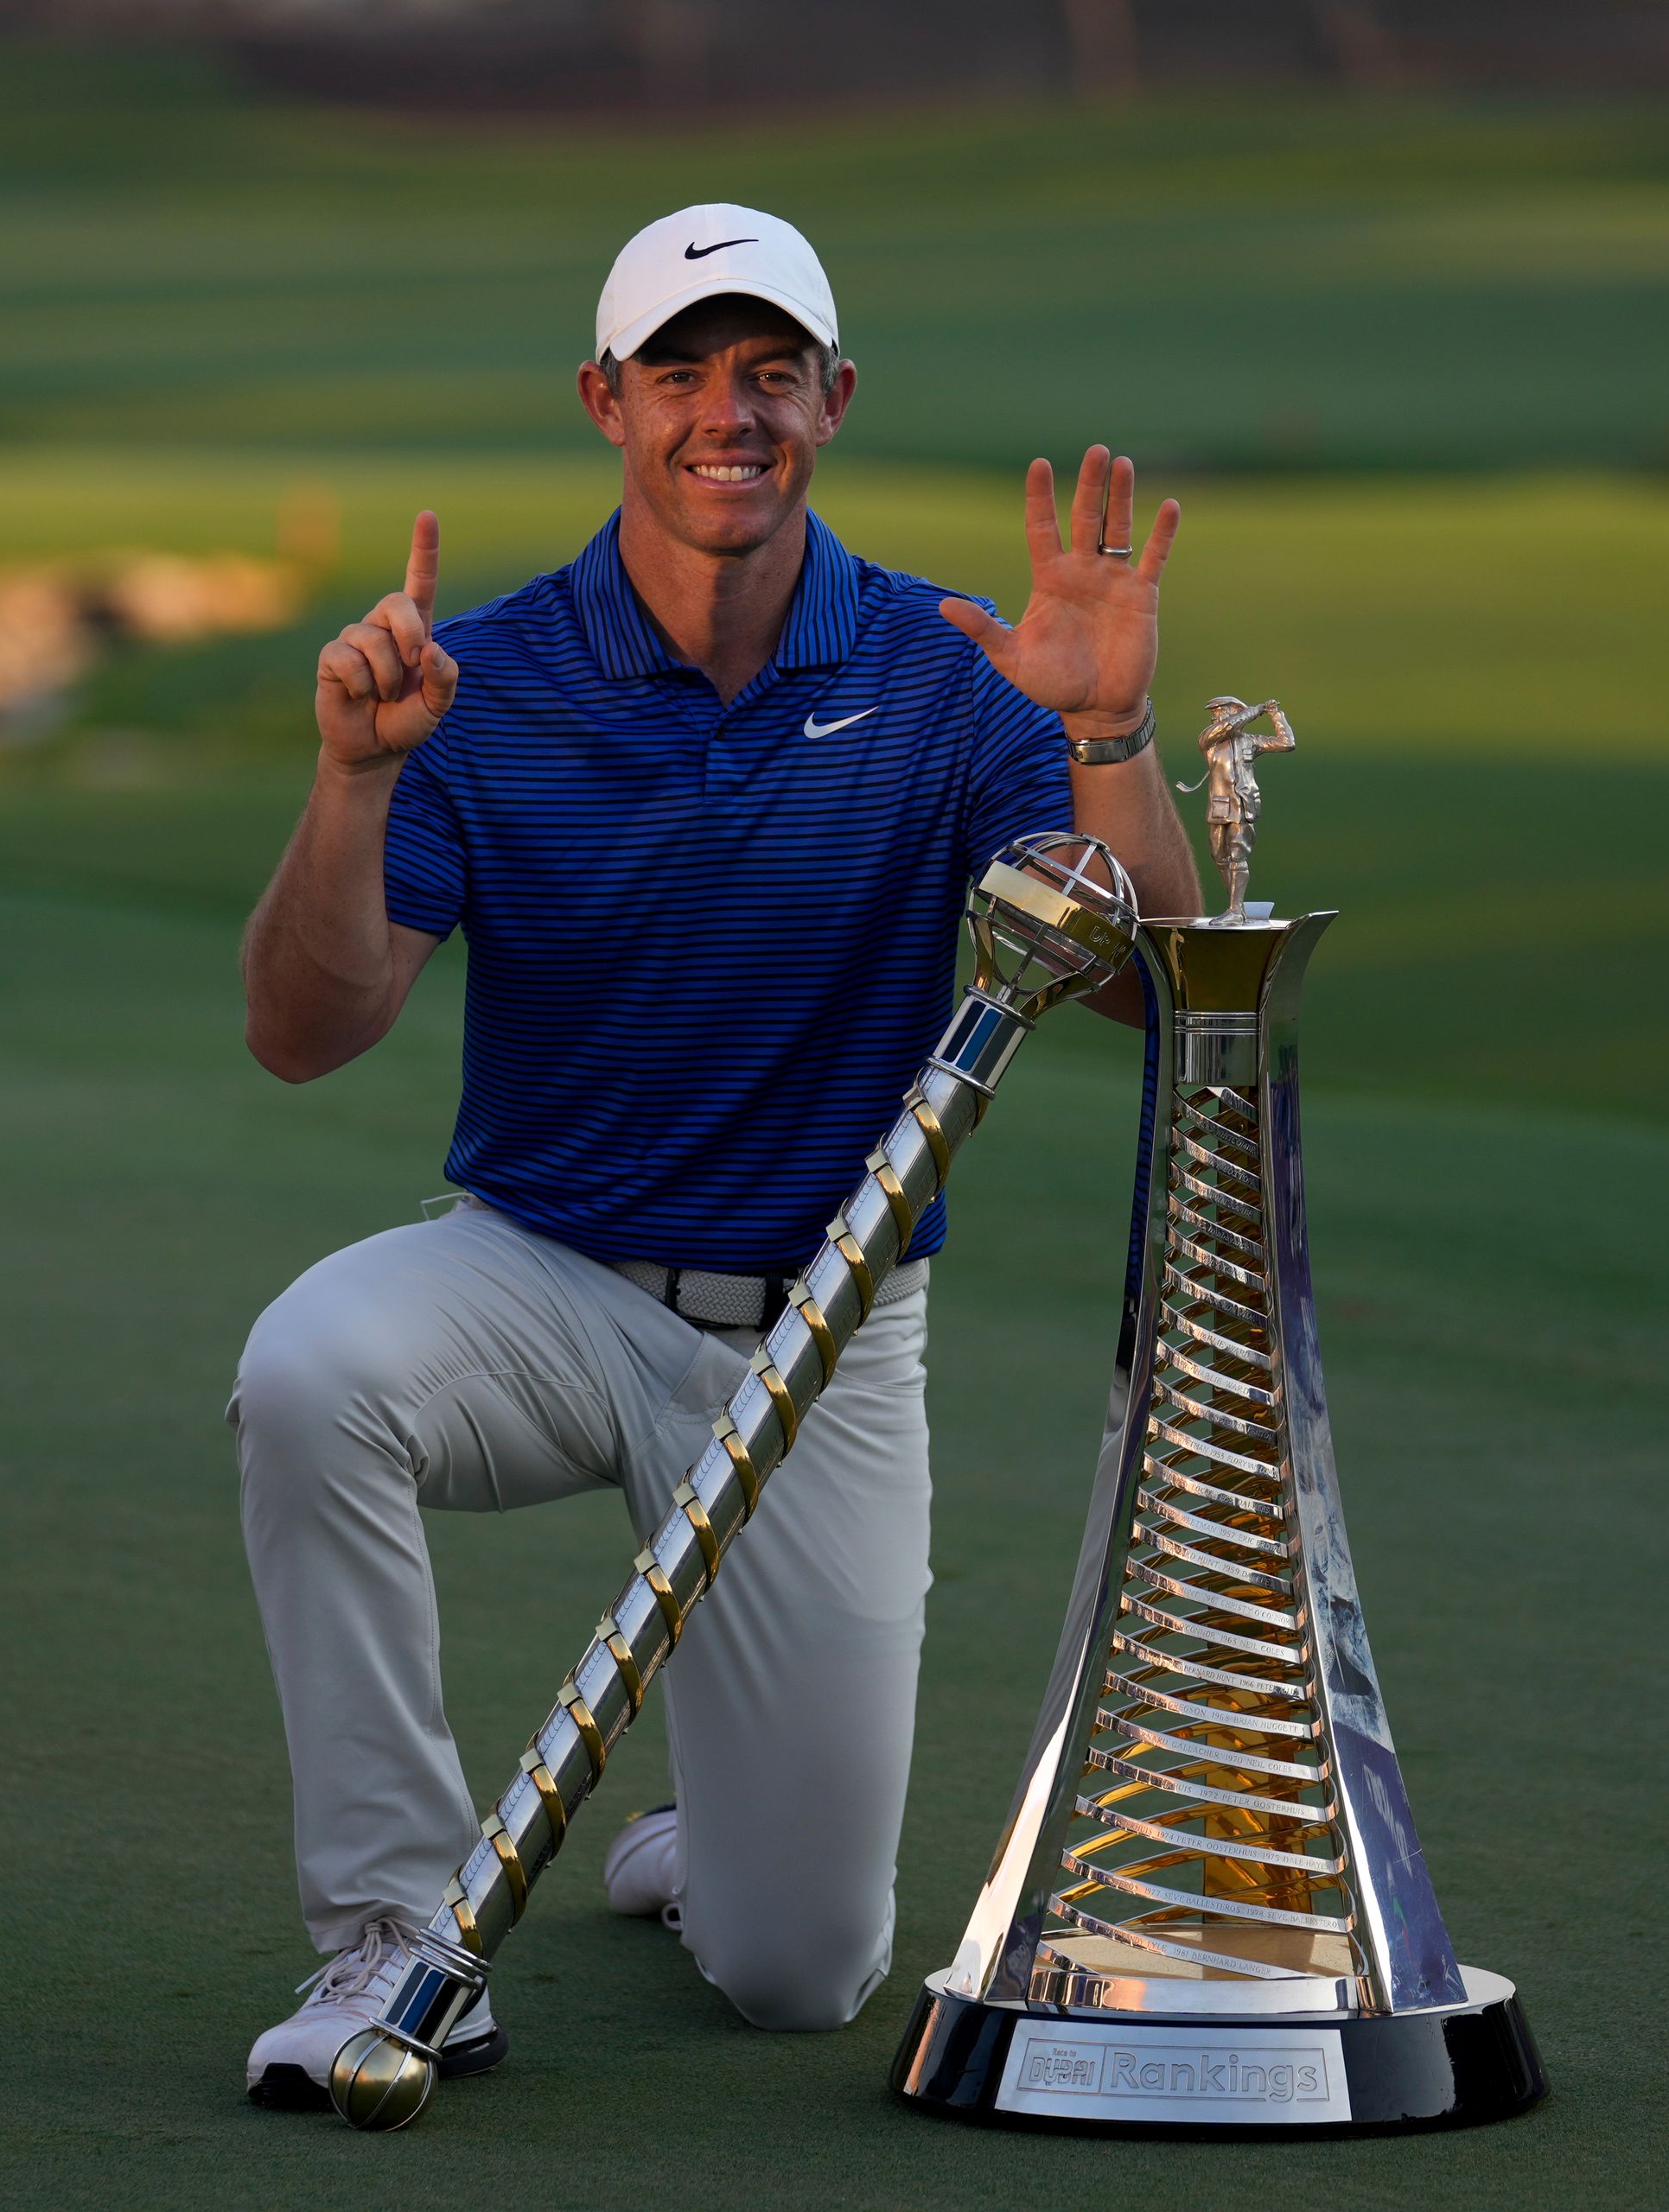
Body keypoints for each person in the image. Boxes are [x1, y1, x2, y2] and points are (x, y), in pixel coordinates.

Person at [231, 203, 1202, 2108]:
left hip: (821, 1336)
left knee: (796, 1971)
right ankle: (389, 1930)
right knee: (309, 1371)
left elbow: (1151, 991)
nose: (725, 413)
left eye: (771, 371)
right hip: (542, 1276)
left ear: (835, 398)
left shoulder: (950, 669)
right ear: (607, 400)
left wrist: (1108, 730)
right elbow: (302, 1028)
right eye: (680, 371)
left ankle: (714, 1836)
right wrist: (352, 783)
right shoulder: (484, 674)